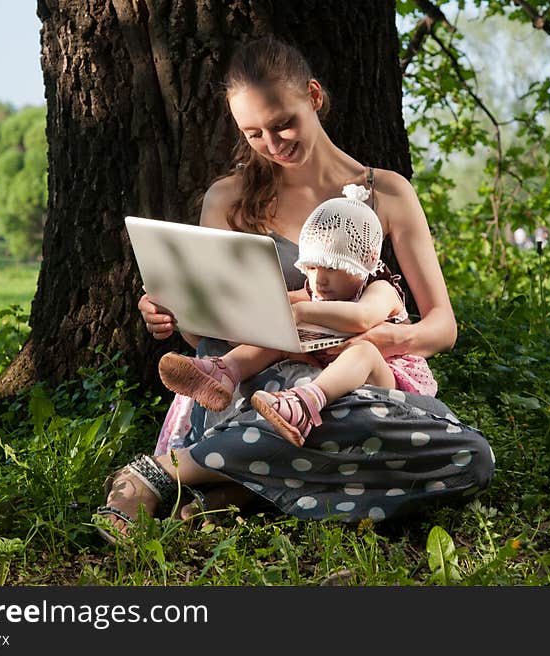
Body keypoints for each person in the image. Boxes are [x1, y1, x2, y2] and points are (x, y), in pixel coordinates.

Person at [96, 35, 494, 544]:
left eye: (283, 122)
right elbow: (207, 338)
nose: (273, 143)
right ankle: (184, 477)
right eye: (254, 133)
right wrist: (173, 311)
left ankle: (213, 480)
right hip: (250, 391)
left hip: (349, 390)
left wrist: (374, 341)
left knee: (469, 458)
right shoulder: (229, 199)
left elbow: (442, 325)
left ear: (313, 95)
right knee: (288, 407)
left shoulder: (387, 192)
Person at [156, 186, 438, 448]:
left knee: (363, 350)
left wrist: (301, 310)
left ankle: (304, 404)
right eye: (312, 268)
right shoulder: (316, 292)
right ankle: (223, 372)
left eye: (333, 268)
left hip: (384, 379)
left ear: (363, 264)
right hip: (335, 374)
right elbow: (271, 303)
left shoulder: (380, 288)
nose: (320, 280)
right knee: (280, 334)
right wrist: (189, 297)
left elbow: (362, 318)